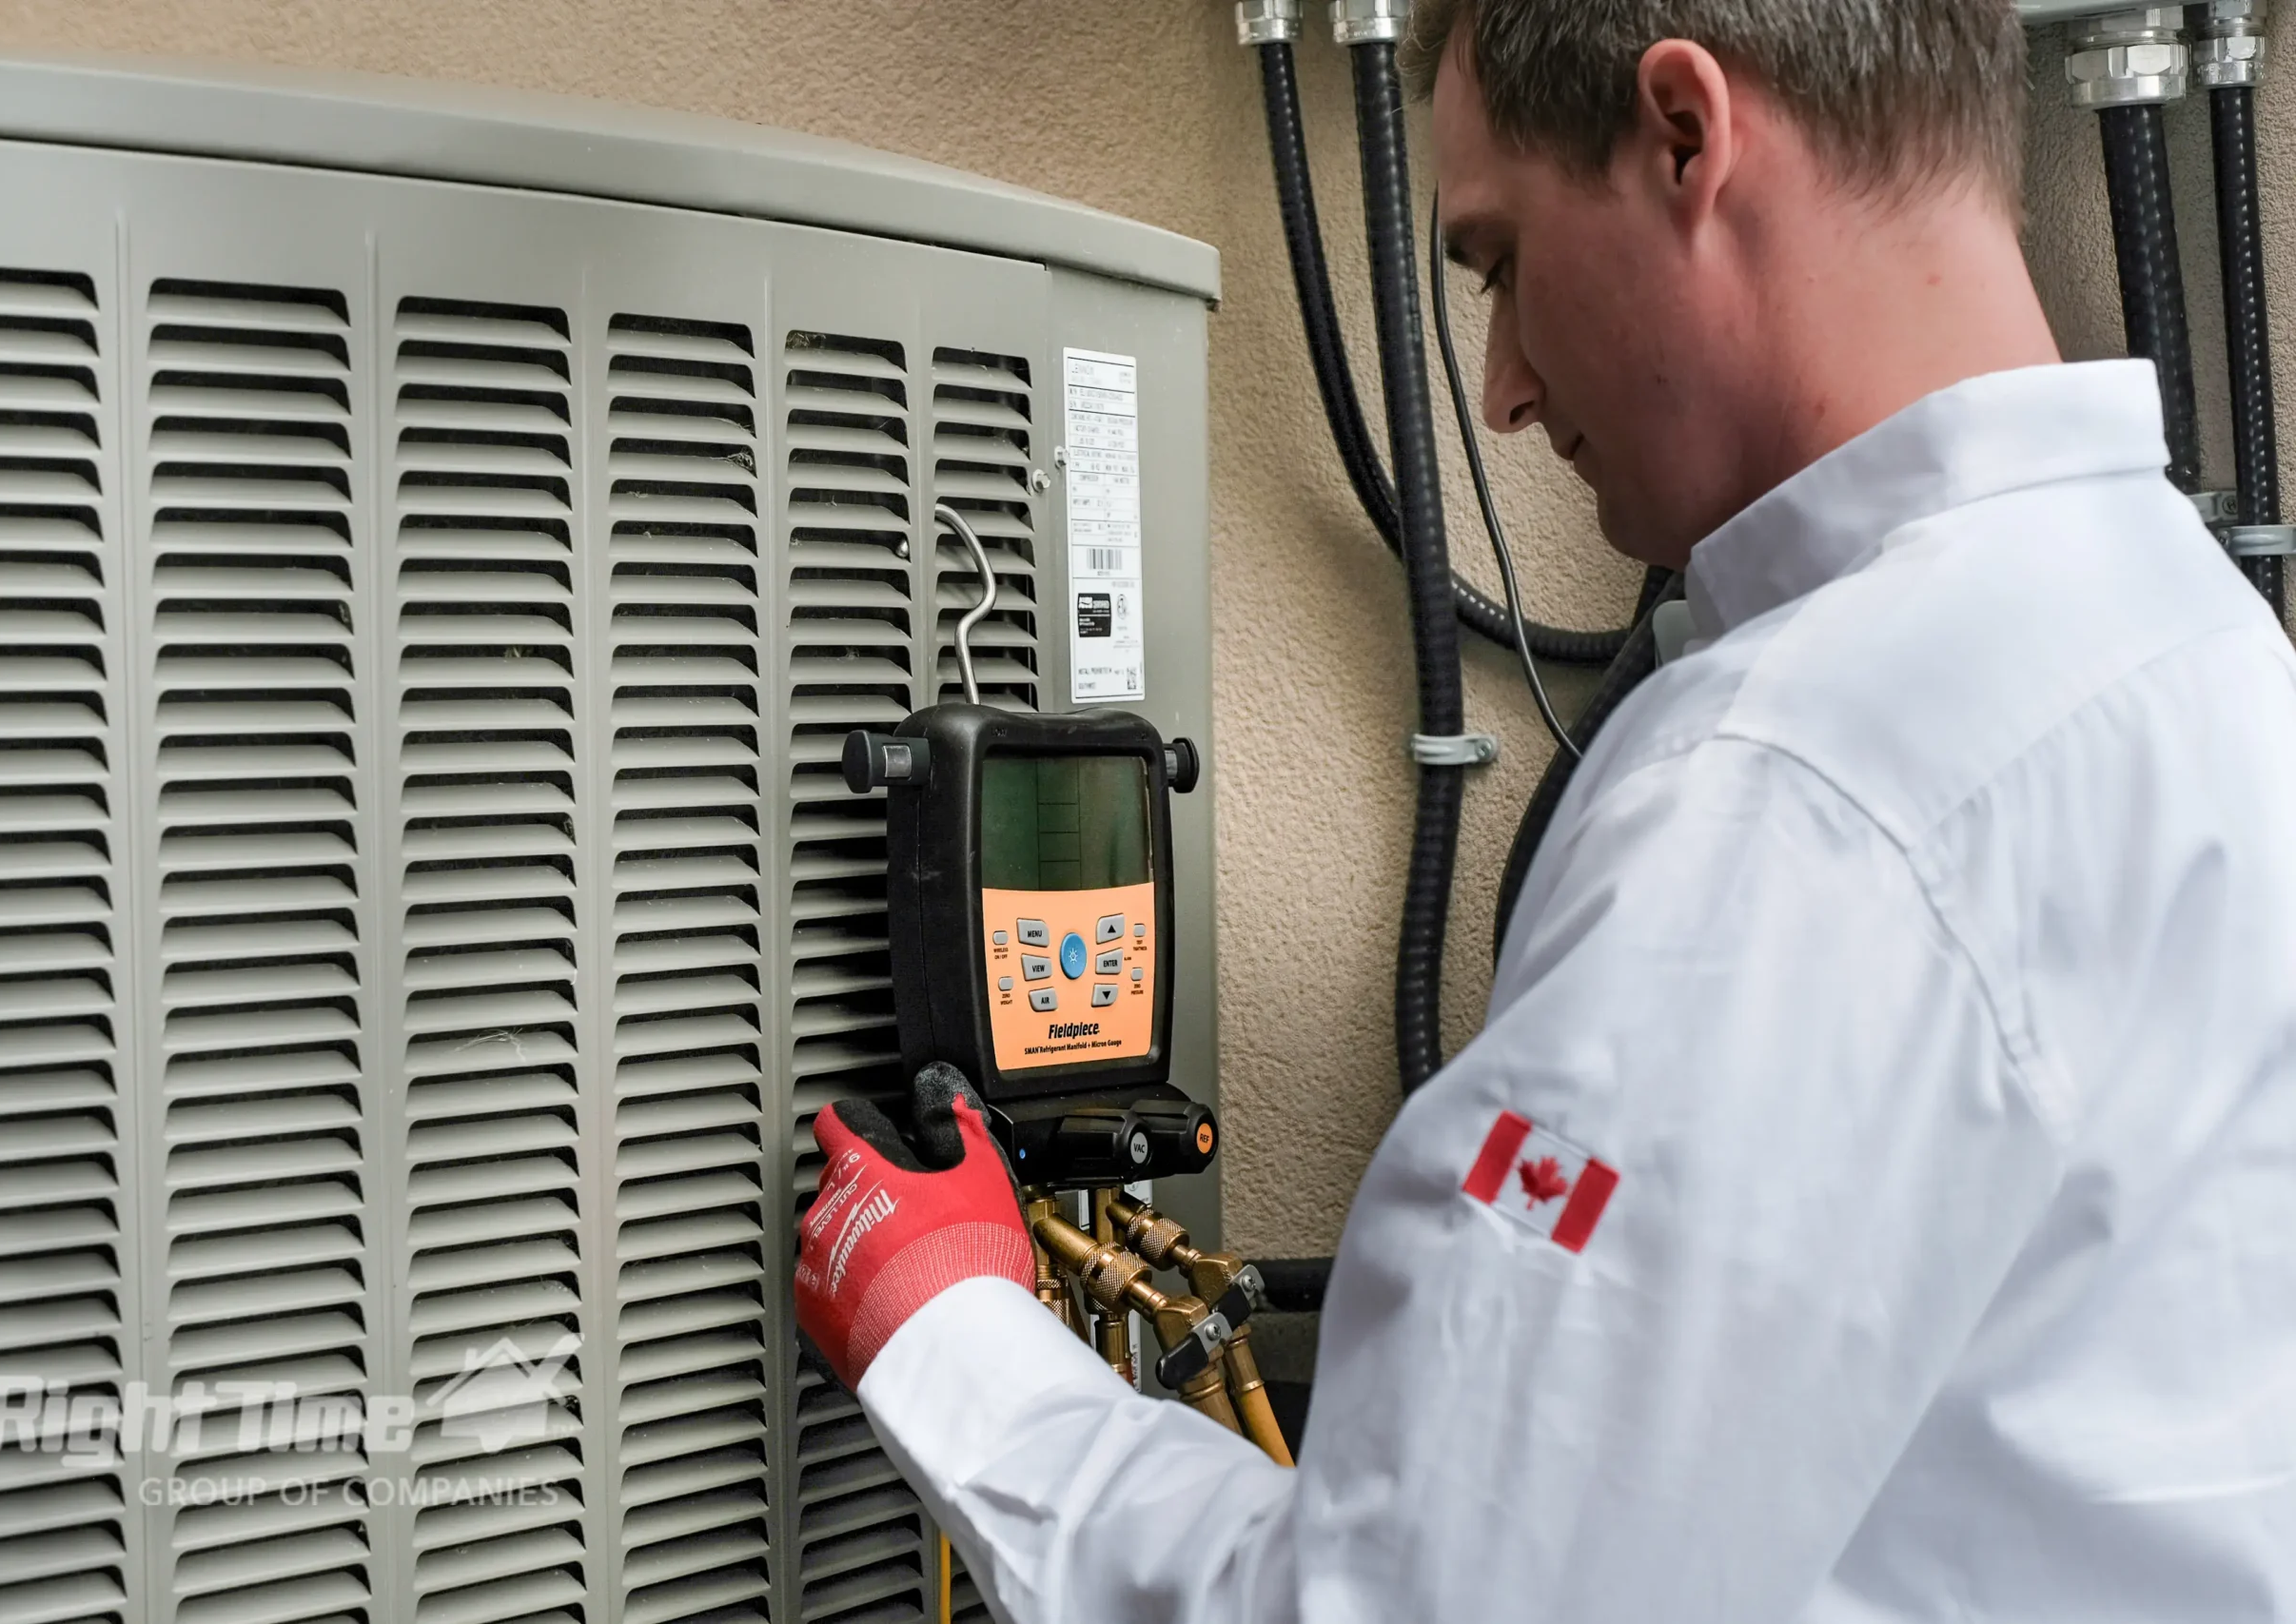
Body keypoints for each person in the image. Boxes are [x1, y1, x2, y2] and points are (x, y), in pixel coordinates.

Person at [794, 0, 2296, 1616]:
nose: (1502, 390)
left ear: (1682, 132)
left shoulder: (1797, 791)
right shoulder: (2206, 651)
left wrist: (948, 1335)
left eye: (1499, 263)